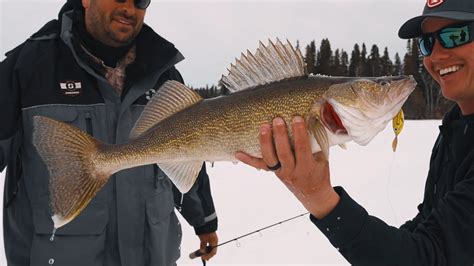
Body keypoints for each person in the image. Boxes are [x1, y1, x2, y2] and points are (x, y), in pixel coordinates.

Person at [236, 0, 474, 264]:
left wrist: (322, 199)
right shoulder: (456, 127)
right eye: (427, 43)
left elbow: (429, 257)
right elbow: (431, 226)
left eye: (456, 36)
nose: (436, 55)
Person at [0, 0, 218, 265]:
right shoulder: (29, 67)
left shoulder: (164, 75)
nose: (129, 8)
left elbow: (187, 155)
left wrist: (204, 220)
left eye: (141, 1)